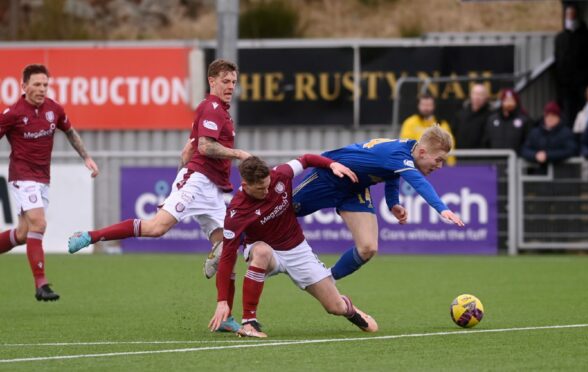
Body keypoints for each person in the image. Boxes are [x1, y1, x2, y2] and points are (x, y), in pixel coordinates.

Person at [67, 59, 251, 330]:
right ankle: (89, 236)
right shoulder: (211, 107)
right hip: (198, 181)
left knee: (229, 247)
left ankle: (226, 317)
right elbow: (204, 146)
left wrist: (184, 164)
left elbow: (189, 148)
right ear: (212, 81)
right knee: (155, 228)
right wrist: (238, 154)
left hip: (213, 188)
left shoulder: (221, 112)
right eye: (225, 81)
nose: (230, 87)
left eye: (234, 82)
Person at [208, 156, 378, 338]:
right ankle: (249, 322)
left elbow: (306, 159)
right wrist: (222, 301)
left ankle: (348, 307)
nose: (267, 191)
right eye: (260, 189)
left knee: (335, 307)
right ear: (245, 185)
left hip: (297, 250)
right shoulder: (236, 212)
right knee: (262, 252)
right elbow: (227, 257)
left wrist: (332, 164)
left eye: (268, 185)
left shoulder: (281, 174)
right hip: (266, 251)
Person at [291, 125, 464, 281]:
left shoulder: (409, 150)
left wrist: (392, 203)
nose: (440, 166)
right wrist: (442, 209)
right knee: (283, 211)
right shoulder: (399, 154)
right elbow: (419, 183)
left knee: (368, 247)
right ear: (422, 153)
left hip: (355, 188)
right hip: (330, 177)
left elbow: (392, 174)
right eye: (438, 159)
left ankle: (327, 280)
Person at [0, 64, 99, 301]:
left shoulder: (54, 109)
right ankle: (41, 284)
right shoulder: (12, 113)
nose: (42, 89)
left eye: (45, 84)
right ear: (23, 86)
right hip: (22, 177)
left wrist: (86, 157)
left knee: (24, 233)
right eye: (36, 84)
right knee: (39, 223)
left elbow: (70, 132)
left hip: (43, 178)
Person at [554, 3, 588, 126]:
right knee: (567, 115)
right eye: (568, 15)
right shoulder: (560, 38)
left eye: (573, 15)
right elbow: (558, 61)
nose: (570, 18)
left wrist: (585, 76)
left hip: (584, 85)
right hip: (566, 87)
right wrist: (562, 78)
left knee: (586, 114)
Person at [521, 101, 577, 173]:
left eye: (553, 116)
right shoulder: (535, 132)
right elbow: (524, 149)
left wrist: (548, 155)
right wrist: (535, 155)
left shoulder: (566, 133)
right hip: (538, 175)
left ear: (559, 117)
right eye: (547, 116)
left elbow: (571, 150)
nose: (550, 119)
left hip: (560, 174)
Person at [400, 94, 456, 165]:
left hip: (439, 166)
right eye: (423, 105)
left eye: (429, 105)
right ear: (418, 106)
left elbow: (450, 146)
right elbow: (406, 145)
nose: (426, 108)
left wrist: (451, 166)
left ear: (434, 106)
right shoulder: (410, 123)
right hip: (415, 165)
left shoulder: (442, 124)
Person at [482, 88, 532, 153]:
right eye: (506, 100)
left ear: (516, 102)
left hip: (516, 160)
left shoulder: (524, 120)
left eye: (511, 100)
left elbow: (528, 142)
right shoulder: (492, 119)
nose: (508, 103)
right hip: (495, 159)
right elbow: (486, 141)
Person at [451, 83, 491, 149]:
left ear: (486, 97)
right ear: (470, 95)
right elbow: (453, 135)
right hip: (461, 155)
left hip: (482, 157)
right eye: (475, 94)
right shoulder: (460, 115)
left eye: (481, 94)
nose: (477, 97)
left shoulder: (491, 117)